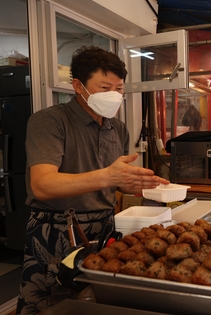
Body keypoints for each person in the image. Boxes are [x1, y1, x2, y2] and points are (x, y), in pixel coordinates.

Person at [16, 46, 169, 315]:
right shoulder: (50, 121)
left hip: (105, 228)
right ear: (78, 85)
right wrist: (108, 176)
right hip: (57, 229)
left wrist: (131, 183)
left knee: (99, 304)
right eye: (104, 87)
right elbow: (42, 184)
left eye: (119, 89)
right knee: (50, 305)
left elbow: (112, 180)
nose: (114, 95)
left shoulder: (116, 127)